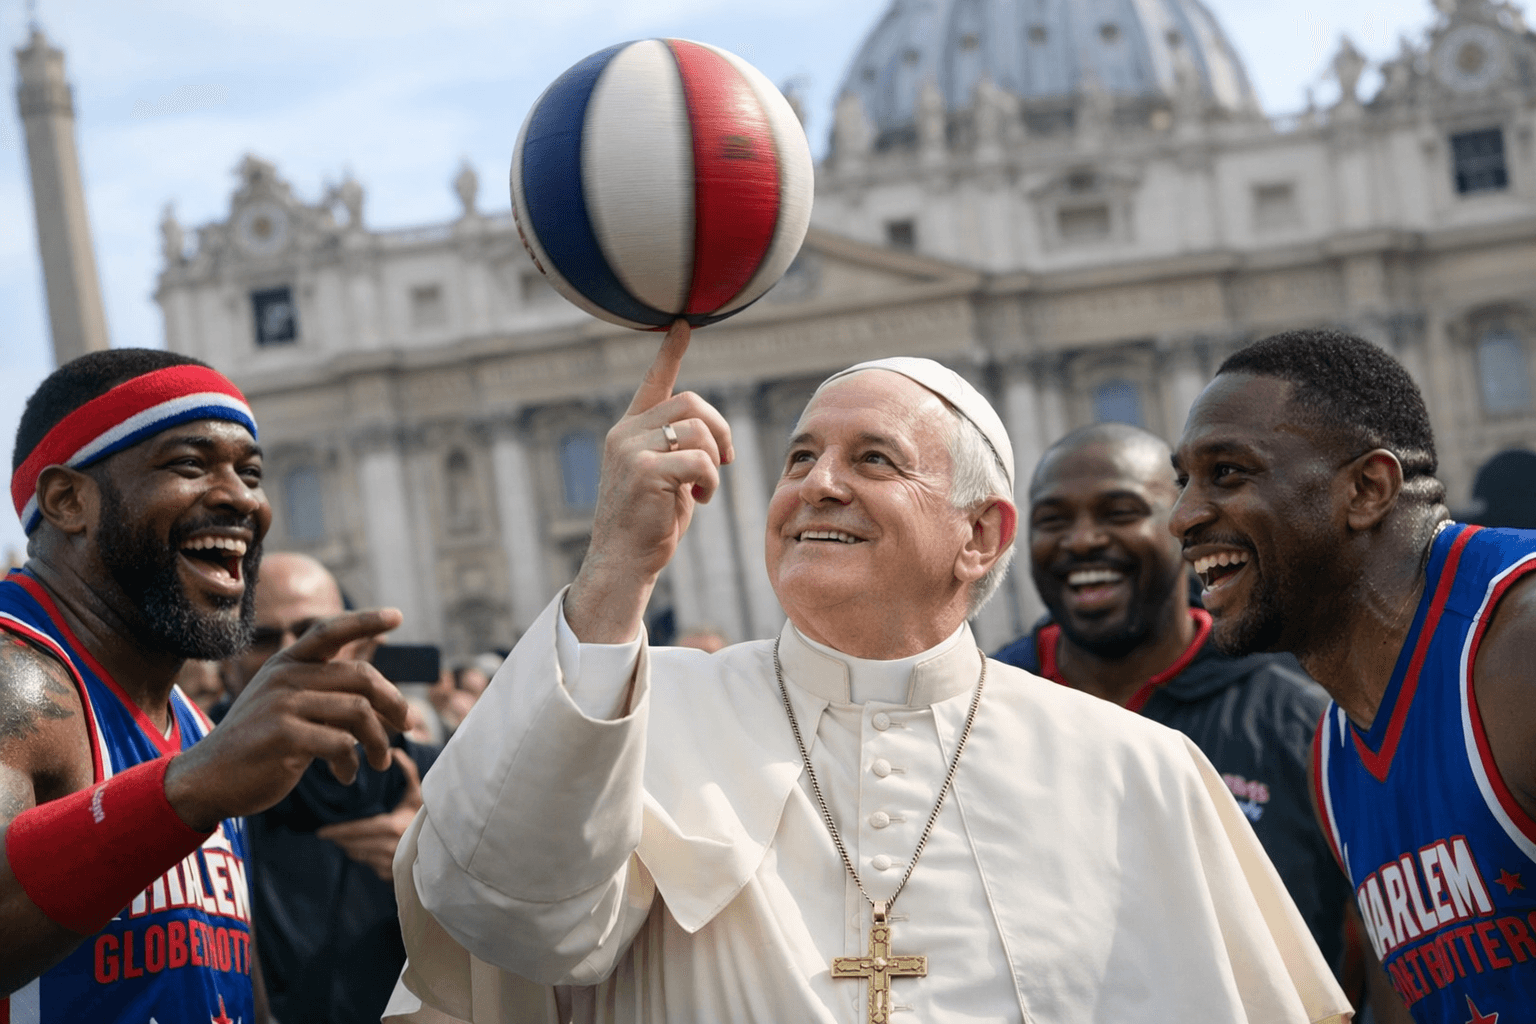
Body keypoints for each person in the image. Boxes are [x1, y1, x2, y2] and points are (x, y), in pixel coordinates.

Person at [385, 323, 1351, 1024]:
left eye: (872, 458)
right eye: (800, 456)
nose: (816, 483)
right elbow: (506, 912)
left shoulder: (1144, 770)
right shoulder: (641, 709)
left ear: (980, 534)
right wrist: (614, 571)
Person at [0, 349, 410, 1022]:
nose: (241, 499)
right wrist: (188, 788)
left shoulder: (195, 725)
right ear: (70, 500)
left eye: (251, 473)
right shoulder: (18, 679)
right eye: (189, 465)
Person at [1169, 329, 1536, 1021]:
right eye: (1181, 480)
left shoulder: (1518, 647)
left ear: (1367, 489)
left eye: (1227, 473)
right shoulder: (1334, 753)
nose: (1182, 516)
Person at [995, 423, 1353, 978]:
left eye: (1119, 513)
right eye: (1053, 520)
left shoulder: (1301, 720)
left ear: (1184, 526)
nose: (1083, 540)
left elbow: (1365, 943)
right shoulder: (977, 716)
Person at [223, 551, 437, 1024]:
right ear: (227, 660)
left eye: (312, 632)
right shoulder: (203, 789)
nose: (289, 654)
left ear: (360, 647)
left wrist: (441, 865)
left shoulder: (439, 779)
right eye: (261, 638)